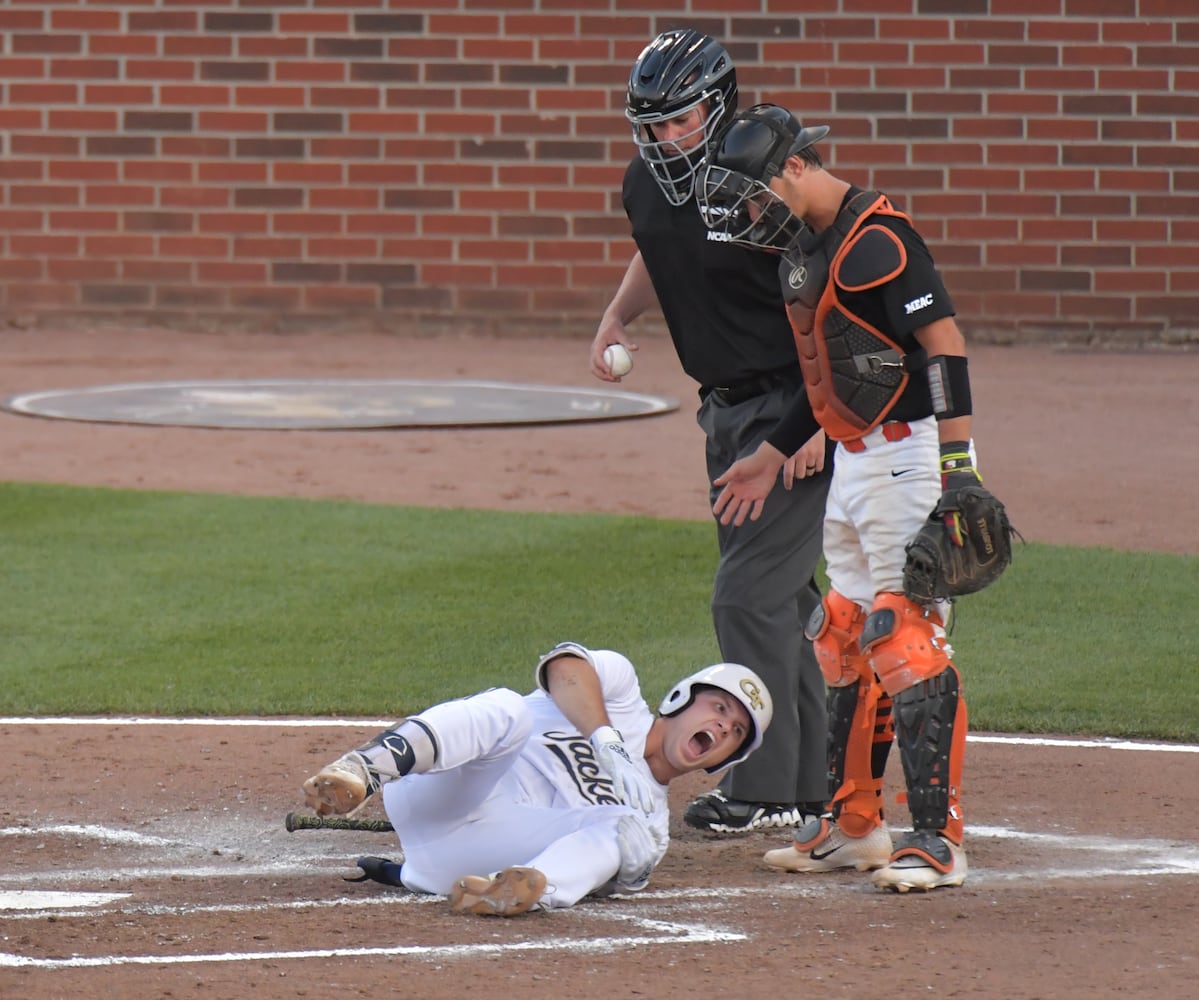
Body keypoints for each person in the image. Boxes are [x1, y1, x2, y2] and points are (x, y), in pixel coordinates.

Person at [693, 102, 987, 891]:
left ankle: (937, 838)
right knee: (844, 641)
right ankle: (852, 825)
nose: (751, 210)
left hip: (906, 459)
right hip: (853, 465)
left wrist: (959, 465)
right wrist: (770, 453)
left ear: (795, 167)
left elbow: (941, 348)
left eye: (757, 191)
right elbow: (830, 376)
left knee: (902, 635)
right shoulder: (806, 255)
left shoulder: (881, 242)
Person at [588, 28, 830, 835]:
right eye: (652, 124)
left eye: (680, 120)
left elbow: (821, 303)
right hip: (723, 413)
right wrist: (619, 313)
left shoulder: (762, 185)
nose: (665, 138)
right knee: (783, 602)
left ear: (718, 106)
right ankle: (808, 780)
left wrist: (815, 420)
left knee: (747, 597)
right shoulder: (646, 185)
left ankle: (764, 786)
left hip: (791, 413)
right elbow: (657, 253)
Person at [300, 641, 773, 915]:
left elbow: (616, 875)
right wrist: (604, 737)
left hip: (461, 867)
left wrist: (628, 868)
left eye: (735, 732)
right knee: (507, 708)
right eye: (719, 707)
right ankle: (365, 768)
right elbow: (565, 667)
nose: (721, 727)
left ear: (725, 760)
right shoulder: (621, 693)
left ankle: (523, 893)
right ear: (681, 698)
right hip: (438, 795)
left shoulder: (651, 823)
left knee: (628, 834)